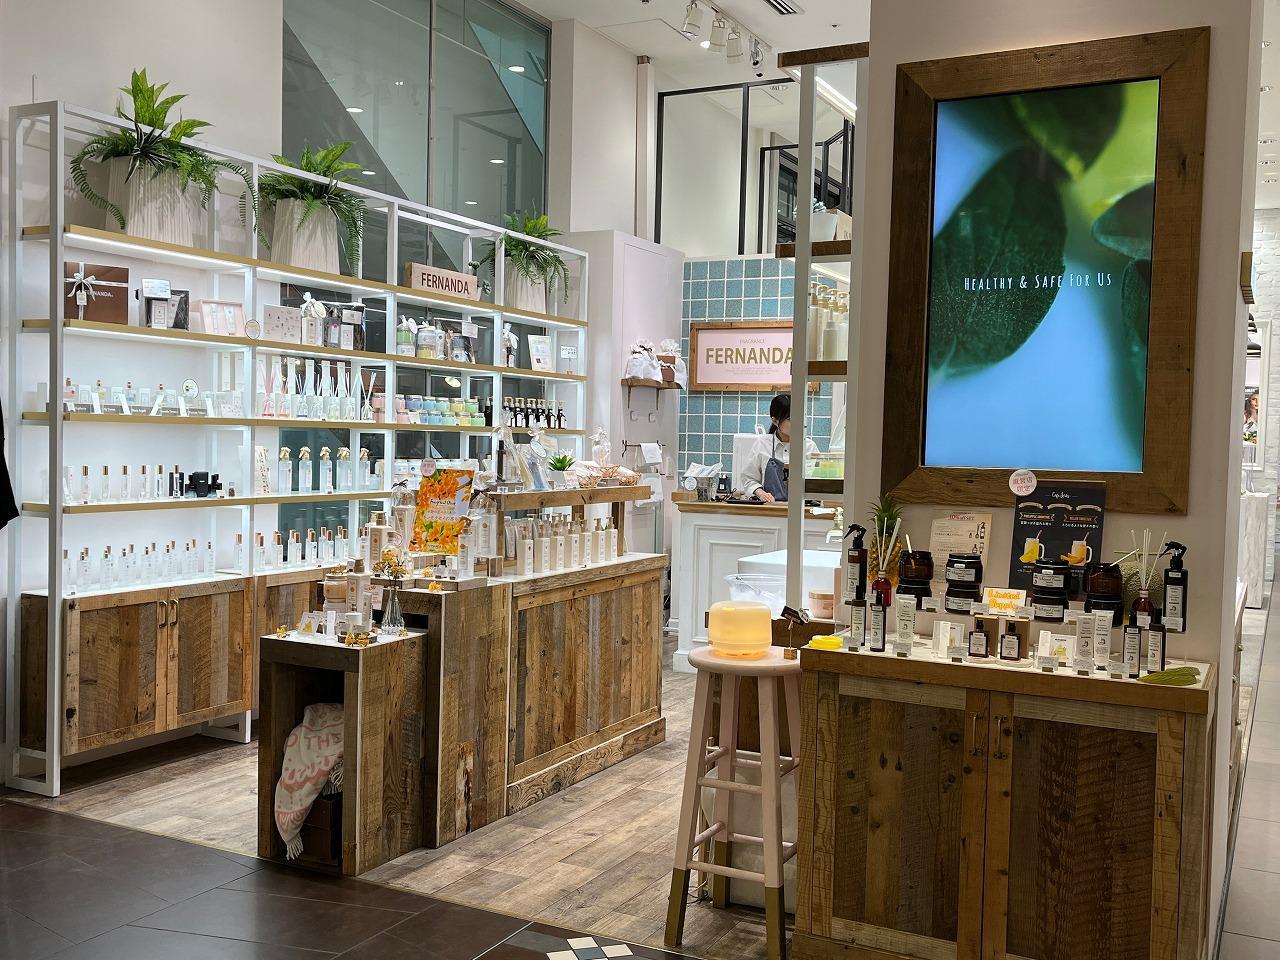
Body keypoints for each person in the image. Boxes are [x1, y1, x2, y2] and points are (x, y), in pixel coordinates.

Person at [738, 393, 820, 503]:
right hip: (771, 509)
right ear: (775, 421)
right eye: (790, 419)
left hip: (801, 509)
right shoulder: (762, 444)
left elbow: (819, 483)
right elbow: (749, 478)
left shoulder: (809, 447)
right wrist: (761, 493)